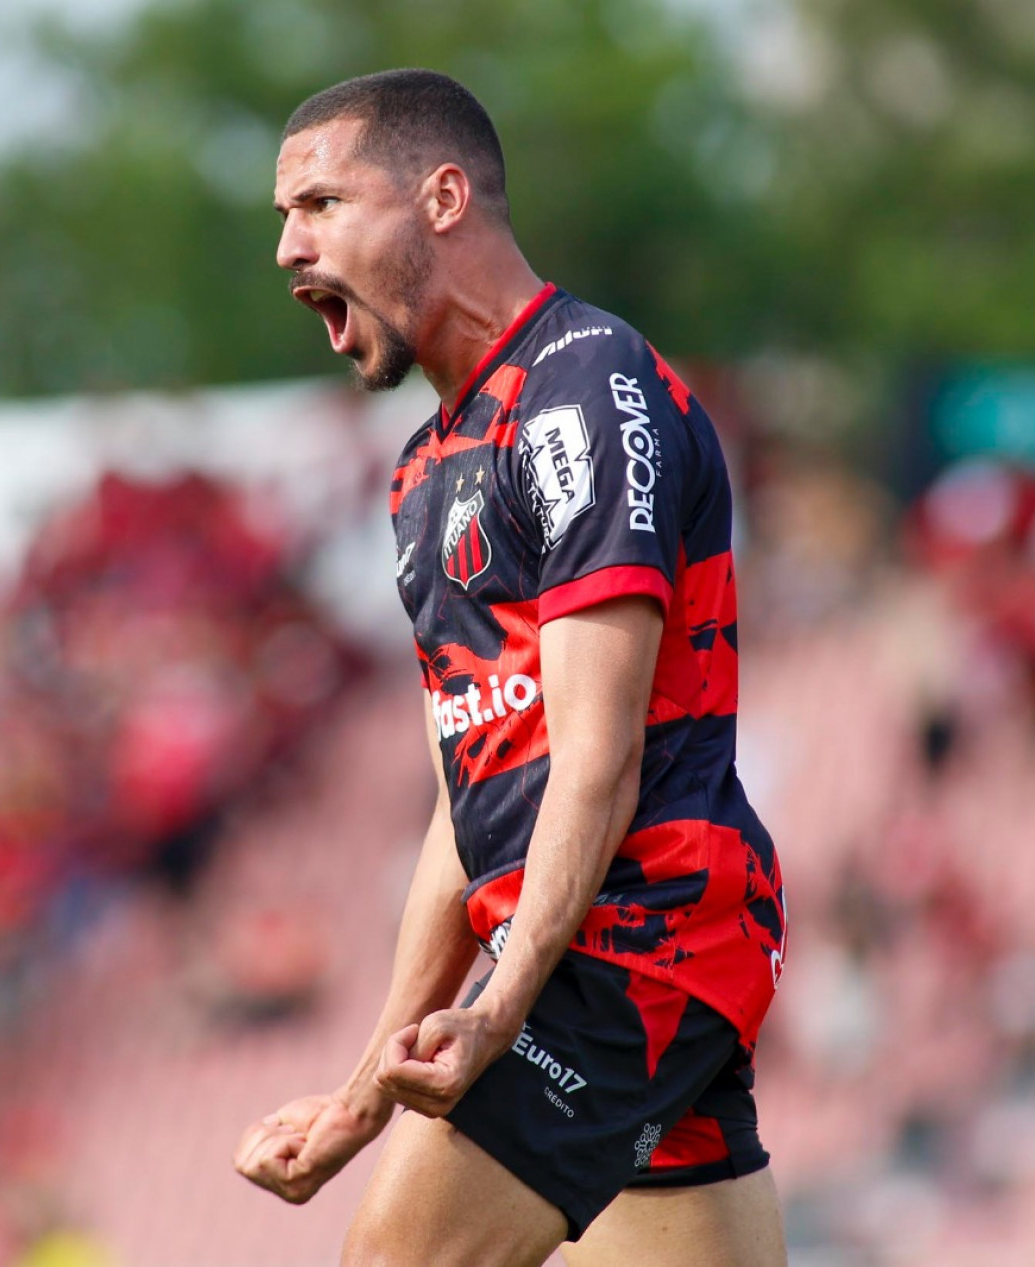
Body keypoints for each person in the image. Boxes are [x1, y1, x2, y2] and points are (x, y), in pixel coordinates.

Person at [234, 69, 788, 1267]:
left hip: (639, 930)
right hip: (595, 941)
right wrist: (361, 1098)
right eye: (285, 217)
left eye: (321, 204)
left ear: (441, 199)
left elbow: (598, 754)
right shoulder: (424, 470)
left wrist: (497, 1005)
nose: (288, 246)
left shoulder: (583, 387)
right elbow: (471, 799)